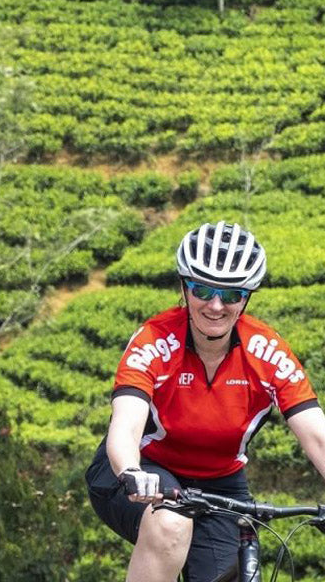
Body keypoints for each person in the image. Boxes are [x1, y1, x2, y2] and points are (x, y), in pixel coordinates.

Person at [86, 221, 325, 581]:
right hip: (141, 470)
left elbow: (315, 432)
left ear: (246, 298)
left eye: (231, 295)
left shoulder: (266, 350)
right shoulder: (154, 340)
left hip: (220, 483)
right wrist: (132, 471)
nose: (216, 306)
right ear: (184, 288)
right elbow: (126, 425)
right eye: (202, 290)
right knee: (170, 525)